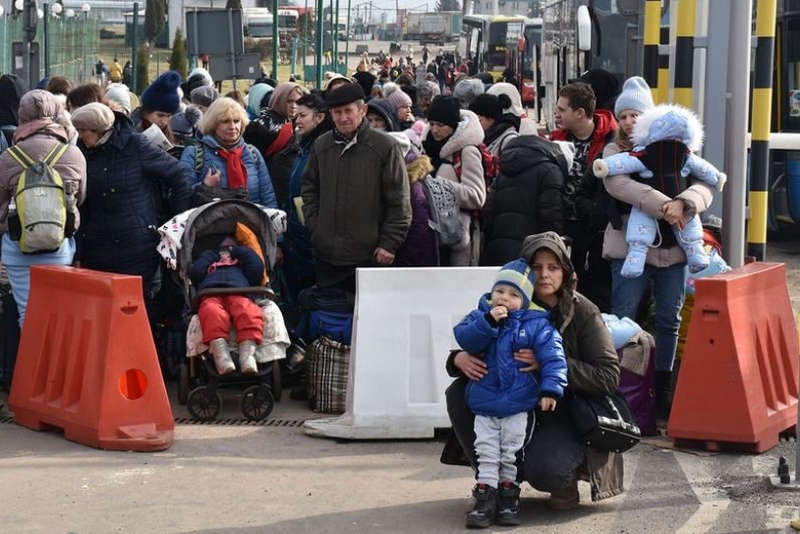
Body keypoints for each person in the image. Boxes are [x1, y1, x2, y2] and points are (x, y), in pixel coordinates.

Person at [444, 231, 622, 510]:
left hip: (562, 409)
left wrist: (548, 365)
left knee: (547, 470)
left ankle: (567, 478)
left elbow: (608, 376)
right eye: (536, 267)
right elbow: (476, 335)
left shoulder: (583, 311)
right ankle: (489, 484)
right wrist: (458, 358)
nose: (544, 275)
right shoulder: (504, 303)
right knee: (458, 391)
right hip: (513, 400)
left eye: (553, 267)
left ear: (565, 271)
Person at [598, 77, 715, 419]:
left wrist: (686, 202)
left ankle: (663, 387)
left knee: (669, 319)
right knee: (623, 316)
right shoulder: (615, 152)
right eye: (624, 116)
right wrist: (670, 205)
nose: (629, 122)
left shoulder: (681, 148)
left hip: (674, 252)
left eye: (636, 115)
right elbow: (618, 185)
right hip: (629, 248)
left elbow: (706, 184)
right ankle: (622, 386)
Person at [454, 258, 567, 528]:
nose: (504, 298)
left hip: (518, 404)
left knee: (512, 452)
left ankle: (509, 496)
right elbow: (465, 339)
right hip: (485, 403)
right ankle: (484, 496)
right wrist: (487, 322)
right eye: (500, 291)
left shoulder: (537, 325)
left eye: (514, 295)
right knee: (486, 450)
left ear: (526, 301)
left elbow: (554, 357)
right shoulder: (479, 316)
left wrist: (551, 388)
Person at [71, 102, 192, 324]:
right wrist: (79, 251)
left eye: (83, 131)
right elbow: (79, 205)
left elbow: (178, 175)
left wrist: (176, 224)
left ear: (99, 130)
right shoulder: (81, 153)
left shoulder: (136, 145)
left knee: (138, 314)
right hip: (98, 248)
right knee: (104, 317)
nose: (80, 136)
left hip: (138, 247)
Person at [301, 83, 412, 292]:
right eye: (337, 112)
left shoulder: (385, 147)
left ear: (362, 111)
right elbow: (310, 189)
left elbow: (399, 201)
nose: (343, 118)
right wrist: (316, 228)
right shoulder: (322, 146)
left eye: (348, 111)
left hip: (369, 256)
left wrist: (389, 243)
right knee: (330, 317)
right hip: (327, 256)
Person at [0, 90, 87, 327]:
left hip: (17, 247)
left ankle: (30, 363)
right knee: (56, 315)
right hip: (59, 246)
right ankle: (54, 363)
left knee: (26, 316)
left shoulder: (9, 157)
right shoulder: (73, 153)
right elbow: (79, 198)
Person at [550, 82, 618, 312]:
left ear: (579, 113)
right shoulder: (556, 139)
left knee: (595, 291)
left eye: (562, 109)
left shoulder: (610, 141)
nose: (556, 114)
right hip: (564, 226)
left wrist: (592, 214)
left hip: (594, 231)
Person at [481, 138, 572, 266]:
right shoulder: (551, 171)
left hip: (496, 250)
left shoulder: (504, 172)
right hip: (532, 252)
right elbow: (551, 217)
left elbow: (489, 213)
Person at [180, 97, 278, 209]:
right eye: (225, 121)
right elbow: (182, 200)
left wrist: (271, 222)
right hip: (210, 225)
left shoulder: (253, 153)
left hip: (251, 224)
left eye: (236, 121)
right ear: (213, 124)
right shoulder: (194, 154)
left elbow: (267, 196)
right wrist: (205, 187)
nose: (232, 127)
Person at [422, 96, 486, 266]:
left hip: (459, 240)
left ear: (453, 126)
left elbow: (477, 196)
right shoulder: (425, 147)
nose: (435, 130)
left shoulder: (467, 151)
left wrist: (435, 187)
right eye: (432, 123)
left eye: (441, 125)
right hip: (429, 234)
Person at [189, 236, 265, 375]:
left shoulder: (241, 265)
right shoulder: (211, 264)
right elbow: (195, 274)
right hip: (211, 292)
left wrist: (240, 252)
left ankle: (247, 354)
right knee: (211, 312)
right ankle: (221, 354)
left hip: (239, 291)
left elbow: (257, 269)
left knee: (247, 311)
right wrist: (211, 255)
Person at [283, 93, 333, 299]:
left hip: (312, 234)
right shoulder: (304, 146)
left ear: (319, 118)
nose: (297, 120)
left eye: (303, 116)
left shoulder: (323, 149)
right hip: (297, 231)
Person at [243, 82, 306, 204]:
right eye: (289, 101)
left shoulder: (302, 123)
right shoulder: (260, 125)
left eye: (298, 102)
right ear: (279, 99)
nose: (294, 106)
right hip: (266, 186)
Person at [131, 71, 183, 147]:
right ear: (146, 111)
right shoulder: (127, 130)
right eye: (160, 115)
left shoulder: (168, 132)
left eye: (169, 116)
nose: (164, 122)